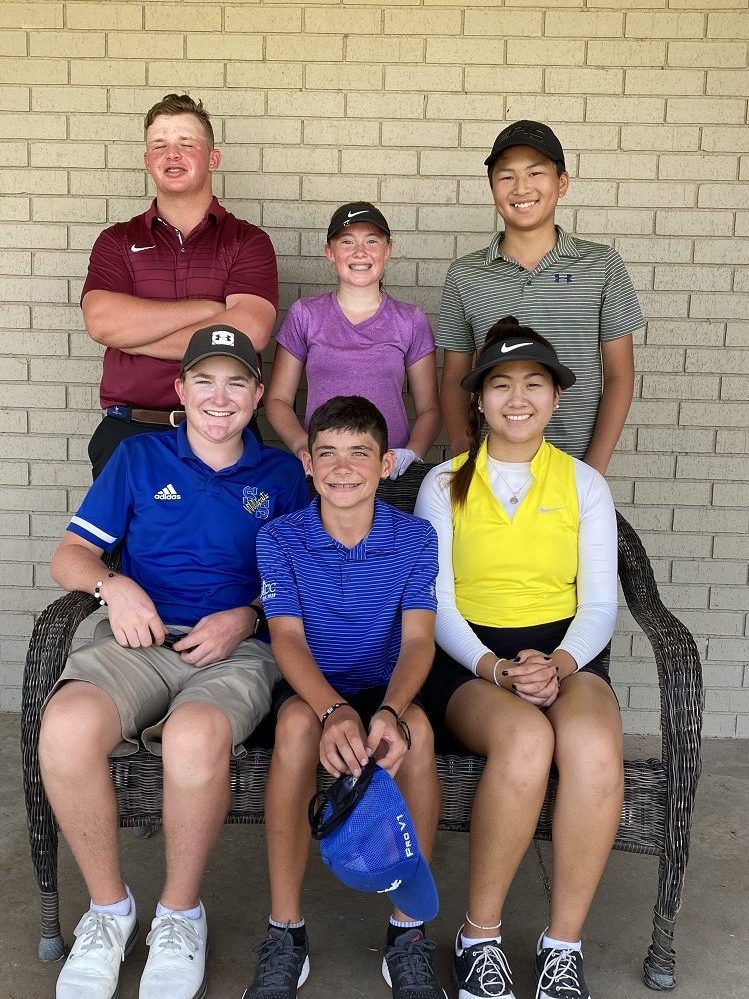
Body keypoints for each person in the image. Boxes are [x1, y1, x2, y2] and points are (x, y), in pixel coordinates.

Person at [38, 326, 308, 999]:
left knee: (194, 736)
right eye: (206, 380)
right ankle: (109, 910)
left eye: (237, 381)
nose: (221, 396)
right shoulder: (138, 457)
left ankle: (180, 914)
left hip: (237, 647)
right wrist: (114, 584)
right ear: (181, 391)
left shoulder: (281, 474)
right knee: (65, 725)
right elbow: (69, 555)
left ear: (256, 395)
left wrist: (248, 614)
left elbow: (305, 576)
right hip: (140, 639)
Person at [415, 317, 623, 999]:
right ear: (476, 399)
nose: (517, 398)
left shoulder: (584, 484)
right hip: (467, 660)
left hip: (563, 651)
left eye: (533, 383)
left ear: (556, 397)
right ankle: (480, 936)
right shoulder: (444, 481)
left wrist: (558, 664)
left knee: (592, 747)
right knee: (527, 739)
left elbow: (597, 603)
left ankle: (561, 944)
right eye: (499, 384)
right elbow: (436, 602)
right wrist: (497, 669)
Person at [243, 396, 447, 999]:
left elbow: (418, 640)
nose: (342, 467)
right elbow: (285, 638)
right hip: (314, 686)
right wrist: (333, 711)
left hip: (388, 685)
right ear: (306, 463)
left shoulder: (415, 537)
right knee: (295, 731)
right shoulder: (280, 536)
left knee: (419, 736)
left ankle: (408, 932)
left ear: (386, 465)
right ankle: (286, 929)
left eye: (360, 453)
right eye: (326, 452)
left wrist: (388, 710)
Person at [81, 93, 279, 477]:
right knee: (124, 540)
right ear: (147, 161)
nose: (172, 155)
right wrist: (210, 310)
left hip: (226, 434)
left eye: (186, 144)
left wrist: (133, 339)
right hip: (130, 434)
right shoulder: (117, 240)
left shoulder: (247, 240)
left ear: (213, 158)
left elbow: (250, 331)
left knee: (232, 540)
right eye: (160, 145)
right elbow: (102, 323)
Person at [437, 119, 644, 474]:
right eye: (506, 177)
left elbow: (620, 375)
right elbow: (455, 378)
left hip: (575, 465)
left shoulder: (602, 265)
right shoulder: (464, 274)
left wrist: (592, 470)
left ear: (561, 183)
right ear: (492, 188)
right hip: (492, 469)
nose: (521, 188)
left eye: (535, 173)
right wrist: (465, 458)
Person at [265, 202, 440, 479]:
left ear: (388, 250)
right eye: (347, 242)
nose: (360, 252)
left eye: (372, 241)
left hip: (387, 470)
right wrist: (303, 447)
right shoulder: (305, 314)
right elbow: (277, 399)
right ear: (329, 252)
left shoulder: (409, 320)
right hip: (324, 469)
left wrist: (411, 453)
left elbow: (429, 408)